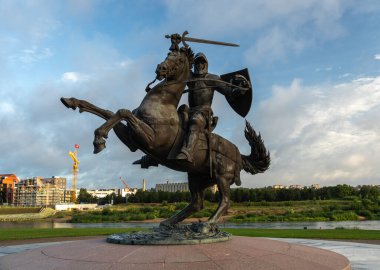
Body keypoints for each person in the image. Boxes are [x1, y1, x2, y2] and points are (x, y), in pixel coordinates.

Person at [175, 52, 247, 162]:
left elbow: (228, 91)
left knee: (195, 122)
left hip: (204, 112)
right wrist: (176, 47)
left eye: (202, 62)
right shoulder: (190, 77)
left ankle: (188, 152)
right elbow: (180, 67)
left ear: (206, 64)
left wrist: (240, 90)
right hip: (190, 110)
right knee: (172, 120)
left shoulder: (212, 78)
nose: (199, 65)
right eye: (197, 62)